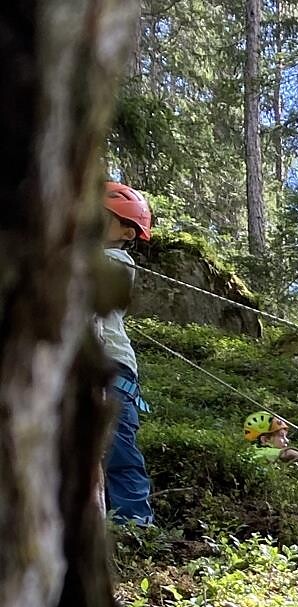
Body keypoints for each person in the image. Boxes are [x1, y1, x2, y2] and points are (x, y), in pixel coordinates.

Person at [99, 181, 155, 525]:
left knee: (118, 449)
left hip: (112, 368)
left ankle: (134, 521)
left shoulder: (117, 261)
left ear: (127, 231)